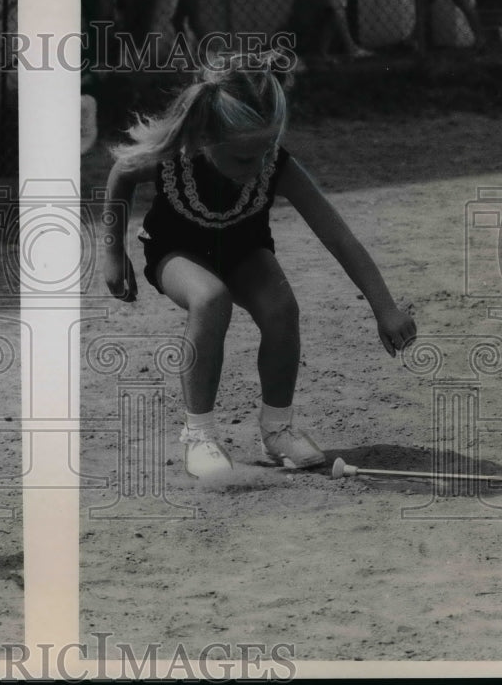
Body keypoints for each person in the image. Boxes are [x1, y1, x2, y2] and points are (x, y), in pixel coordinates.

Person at [102, 52, 416, 481]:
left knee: (282, 306)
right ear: (205, 138)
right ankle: (199, 434)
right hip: (178, 251)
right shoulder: (171, 156)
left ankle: (277, 427)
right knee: (211, 298)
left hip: (244, 250)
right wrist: (113, 252)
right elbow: (121, 173)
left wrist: (385, 308)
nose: (261, 167)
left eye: (268, 150)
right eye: (246, 159)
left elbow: (338, 235)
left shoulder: (275, 167)